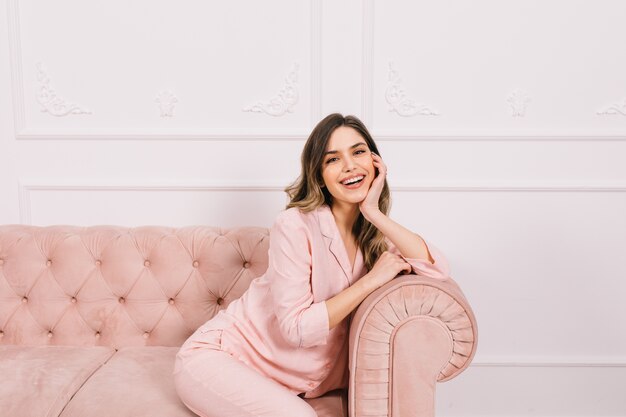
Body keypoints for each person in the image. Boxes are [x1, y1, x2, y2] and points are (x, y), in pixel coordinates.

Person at [173, 113, 450, 417]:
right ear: (318, 175)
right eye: (333, 159)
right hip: (218, 357)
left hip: (285, 380)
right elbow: (296, 329)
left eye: (358, 152)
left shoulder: (374, 237)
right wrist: (371, 281)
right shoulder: (294, 226)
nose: (349, 166)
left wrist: (374, 213)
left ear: (375, 163)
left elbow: (436, 268)